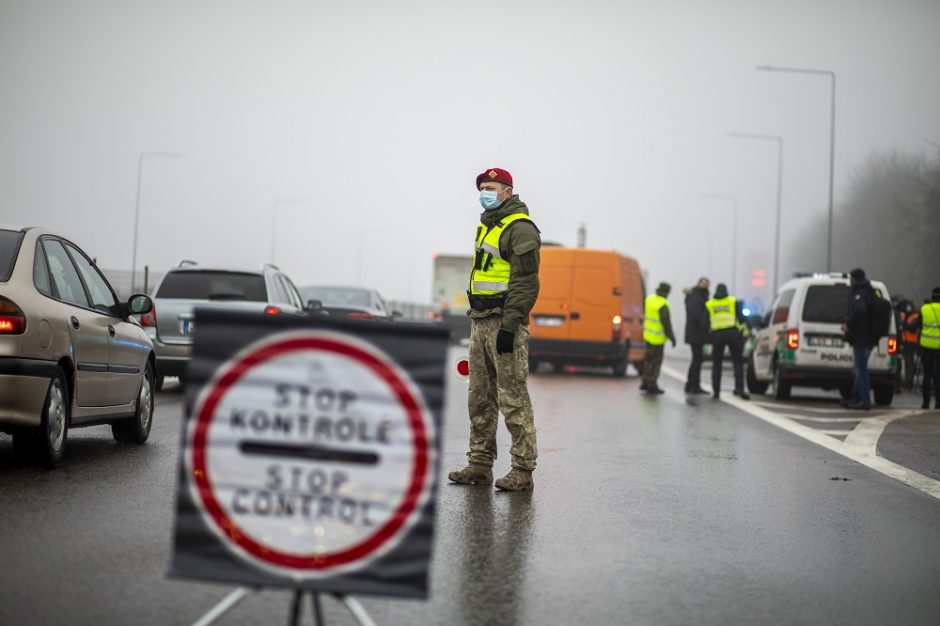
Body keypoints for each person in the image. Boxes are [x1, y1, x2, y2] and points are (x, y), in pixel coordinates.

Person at [448, 167, 541, 492]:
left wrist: (511, 325)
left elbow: (525, 282)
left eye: (490, 187)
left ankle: (522, 469)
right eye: (482, 187)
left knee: (512, 398)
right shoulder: (486, 227)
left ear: (506, 191)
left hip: (505, 323)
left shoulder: (521, 228)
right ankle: (479, 463)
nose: (484, 192)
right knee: (480, 397)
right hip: (481, 320)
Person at [841, 268, 879, 410]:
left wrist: (848, 322)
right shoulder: (869, 291)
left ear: (855, 278)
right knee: (858, 370)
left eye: (851, 278)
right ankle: (856, 398)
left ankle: (863, 400)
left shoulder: (860, 294)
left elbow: (860, 310)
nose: (850, 281)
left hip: (862, 337)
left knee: (861, 370)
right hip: (867, 337)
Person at [705, 283, 749, 400]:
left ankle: (716, 391)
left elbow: (704, 322)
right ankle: (739, 388)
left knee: (717, 363)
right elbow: (743, 318)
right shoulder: (732, 301)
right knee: (737, 362)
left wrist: (709, 336)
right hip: (732, 333)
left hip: (717, 335)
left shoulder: (710, 304)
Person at [640, 282, 677, 395]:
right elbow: (666, 324)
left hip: (647, 335)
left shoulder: (649, 299)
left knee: (648, 360)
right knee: (656, 362)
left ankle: (645, 382)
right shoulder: (663, 305)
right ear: (667, 292)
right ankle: (652, 385)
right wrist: (672, 338)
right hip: (657, 338)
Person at [684, 277, 711, 394]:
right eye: (703, 282)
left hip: (697, 333)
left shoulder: (700, 296)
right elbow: (696, 315)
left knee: (697, 359)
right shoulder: (696, 297)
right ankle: (693, 385)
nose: (705, 285)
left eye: (707, 283)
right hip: (696, 333)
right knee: (697, 359)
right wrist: (705, 322)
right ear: (699, 283)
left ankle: (691, 384)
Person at [918, 287, 940, 410]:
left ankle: (925, 402)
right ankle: (938, 402)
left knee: (927, 374)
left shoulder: (925, 309)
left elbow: (916, 325)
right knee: (939, 375)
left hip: (926, 345)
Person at [898, 299, 921, 391]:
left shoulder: (915, 316)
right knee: (906, 363)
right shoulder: (904, 315)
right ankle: (907, 381)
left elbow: (911, 327)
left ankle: (909, 382)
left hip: (912, 343)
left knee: (910, 363)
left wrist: (903, 325)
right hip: (905, 342)